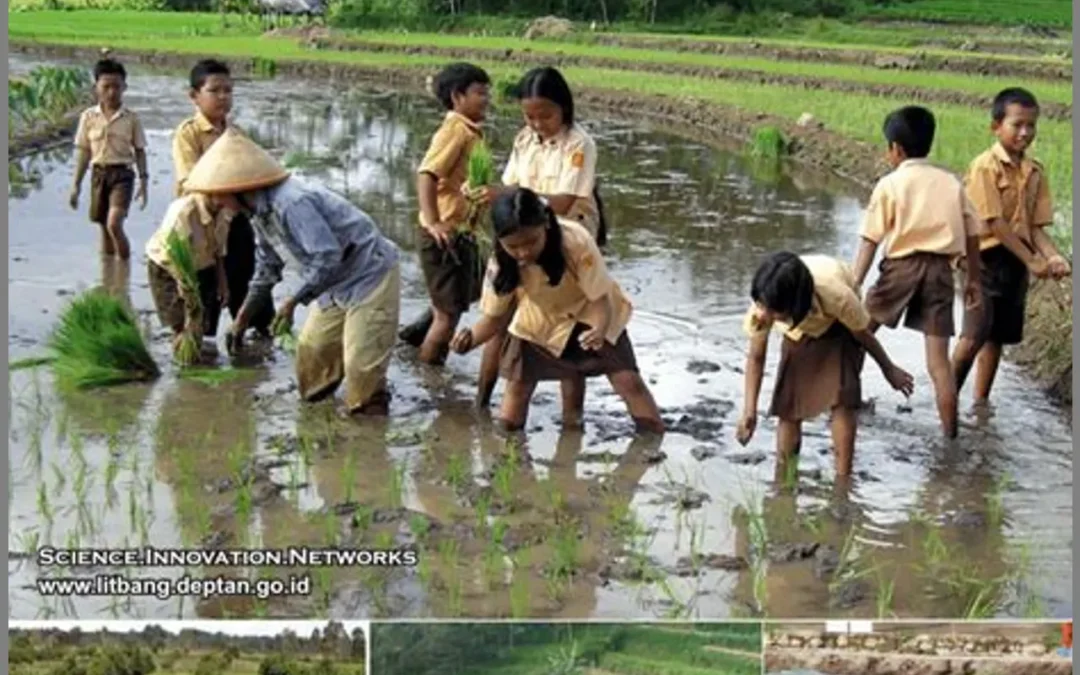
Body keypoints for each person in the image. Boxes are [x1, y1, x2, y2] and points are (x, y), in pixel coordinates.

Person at [183, 129, 402, 416]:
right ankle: (315, 419)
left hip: (368, 273)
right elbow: (267, 266)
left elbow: (326, 256)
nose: (219, 204)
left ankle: (368, 430)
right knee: (312, 354)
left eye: (221, 196)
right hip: (334, 284)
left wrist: (293, 301)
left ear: (238, 188)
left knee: (361, 367)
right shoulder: (257, 213)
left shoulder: (291, 203)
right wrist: (243, 318)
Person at [449, 188, 663, 434]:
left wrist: (600, 327)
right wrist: (468, 341)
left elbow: (599, 297)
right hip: (539, 319)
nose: (523, 252)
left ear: (546, 225)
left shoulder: (575, 241)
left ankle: (654, 441)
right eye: (513, 246)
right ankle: (509, 455)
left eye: (531, 242)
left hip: (590, 313)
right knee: (517, 387)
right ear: (500, 241)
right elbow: (493, 320)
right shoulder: (499, 264)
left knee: (628, 382)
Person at [851, 105, 983, 439]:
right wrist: (973, 281)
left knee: (857, 334)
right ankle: (950, 435)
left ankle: (846, 401)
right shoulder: (951, 183)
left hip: (901, 269)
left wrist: (853, 282)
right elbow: (972, 236)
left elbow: (870, 239)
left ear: (895, 149)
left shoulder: (891, 184)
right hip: (941, 271)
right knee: (939, 364)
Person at [736, 252, 915, 477]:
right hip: (798, 330)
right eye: (761, 305)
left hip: (839, 324)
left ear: (794, 304)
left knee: (843, 397)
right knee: (789, 404)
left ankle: (843, 481)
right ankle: (784, 477)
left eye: (773, 311)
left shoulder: (837, 295)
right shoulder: (763, 308)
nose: (764, 314)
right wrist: (749, 410)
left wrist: (889, 369)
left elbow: (862, 335)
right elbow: (756, 357)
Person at [951, 87, 1071, 410]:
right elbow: (994, 224)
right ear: (996, 126)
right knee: (975, 333)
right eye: (1017, 124)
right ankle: (947, 399)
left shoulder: (1035, 172)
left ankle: (980, 404)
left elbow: (1034, 227)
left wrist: (1052, 255)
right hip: (982, 259)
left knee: (997, 336)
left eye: (1031, 125)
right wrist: (1033, 260)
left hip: (1014, 262)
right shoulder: (984, 167)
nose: (1025, 132)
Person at [172, 58, 275, 339]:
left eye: (228, 91)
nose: (223, 97)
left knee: (248, 284)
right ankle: (202, 347)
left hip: (235, 222)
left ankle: (257, 345)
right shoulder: (189, 134)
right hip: (202, 227)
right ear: (194, 96)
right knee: (207, 293)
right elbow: (190, 182)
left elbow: (253, 176)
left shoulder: (236, 134)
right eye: (215, 90)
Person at [405, 62, 491, 366]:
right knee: (448, 317)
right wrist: (434, 222)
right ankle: (430, 376)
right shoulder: (455, 131)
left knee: (474, 290)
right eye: (480, 93)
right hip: (445, 235)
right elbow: (427, 174)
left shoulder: (471, 132)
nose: (487, 99)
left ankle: (416, 334)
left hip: (462, 232)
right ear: (458, 97)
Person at [69, 58, 148, 260]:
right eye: (106, 87)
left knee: (114, 223)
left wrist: (144, 181)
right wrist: (76, 185)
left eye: (116, 87)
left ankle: (124, 270)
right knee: (103, 225)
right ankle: (109, 275)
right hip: (98, 174)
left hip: (122, 175)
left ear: (124, 87)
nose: (111, 92)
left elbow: (139, 150)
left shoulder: (131, 118)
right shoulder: (88, 117)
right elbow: (85, 152)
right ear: (96, 88)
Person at [145, 192, 229, 358]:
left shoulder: (223, 212)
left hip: (203, 264)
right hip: (168, 267)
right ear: (209, 193)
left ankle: (195, 358)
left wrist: (223, 283)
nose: (226, 202)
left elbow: (218, 251)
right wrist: (186, 288)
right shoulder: (183, 211)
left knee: (201, 323)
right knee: (180, 324)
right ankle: (184, 367)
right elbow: (172, 253)